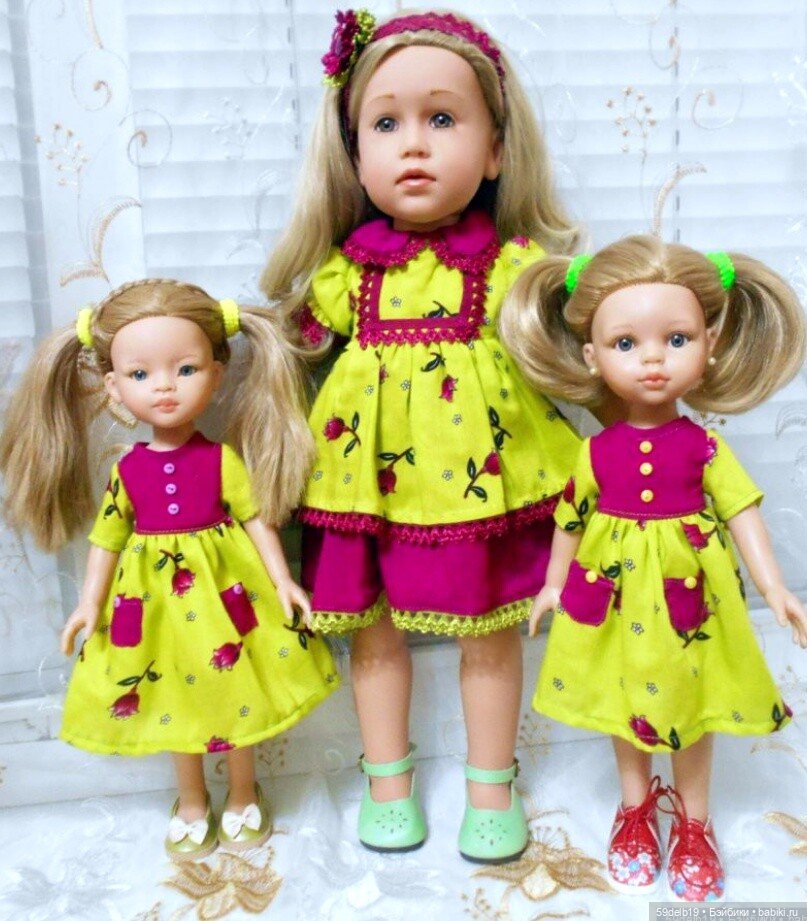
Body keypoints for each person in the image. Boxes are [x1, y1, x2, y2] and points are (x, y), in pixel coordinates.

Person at [262, 8, 580, 863]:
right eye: (385, 124)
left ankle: (491, 787)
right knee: (371, 631)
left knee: (489, 631)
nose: (413, 145)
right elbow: (290, 341)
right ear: (352, 153)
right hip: (364, 483)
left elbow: (573, 330)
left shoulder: (508, 266)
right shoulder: (346, 273)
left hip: (478, 479)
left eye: (442, 119)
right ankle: (387, 783)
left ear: (495, 150)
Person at [500, 234, 807, 900]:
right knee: (624, 706)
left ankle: (694, 824)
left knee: (691, 708)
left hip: (688, 602)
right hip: (610, 600)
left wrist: (775, 587)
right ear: (592, 355)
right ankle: (634, 811)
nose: (651, 360)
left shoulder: (704, 446)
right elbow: (569, 520)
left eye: (675, 339)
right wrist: (552, 584)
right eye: (624, 343)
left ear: (709, 344)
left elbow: (742, 510)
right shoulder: (594, 451)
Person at [0, 280, 340, 861]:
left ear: (217, 374)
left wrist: (283, 580)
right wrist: (88, 603)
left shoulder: (221, 459)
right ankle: (191, 799)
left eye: (185, 369)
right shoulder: (128, 471)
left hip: (226, 598)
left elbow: (255, 518)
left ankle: (242, 792)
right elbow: (107, 538)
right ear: (113, 386)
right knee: (174, 701)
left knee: (236, 691)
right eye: (140, 374)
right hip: (156, 608)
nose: (163, 386)